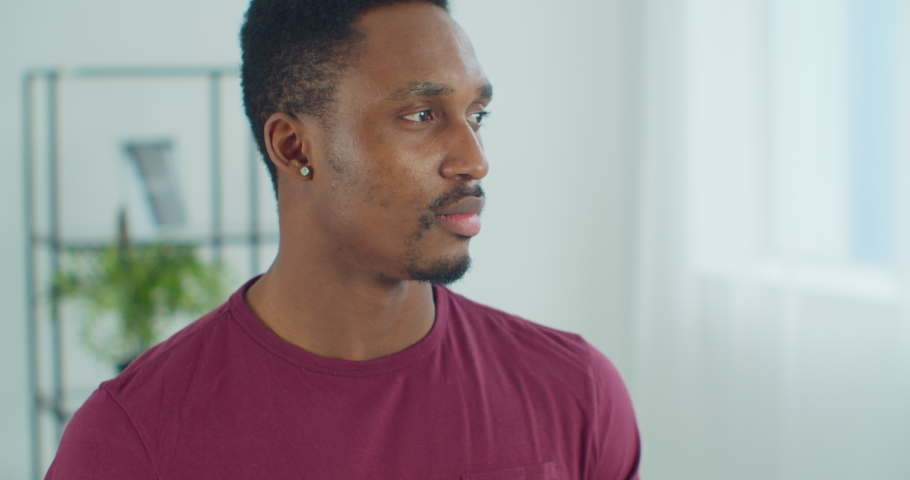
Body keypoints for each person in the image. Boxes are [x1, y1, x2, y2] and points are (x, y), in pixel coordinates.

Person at [46, 0, 641, 478]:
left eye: (476, 115)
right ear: (294, 147)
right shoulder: (132, 441)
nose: (474, 160)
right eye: (420, 115)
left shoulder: (575, 393)